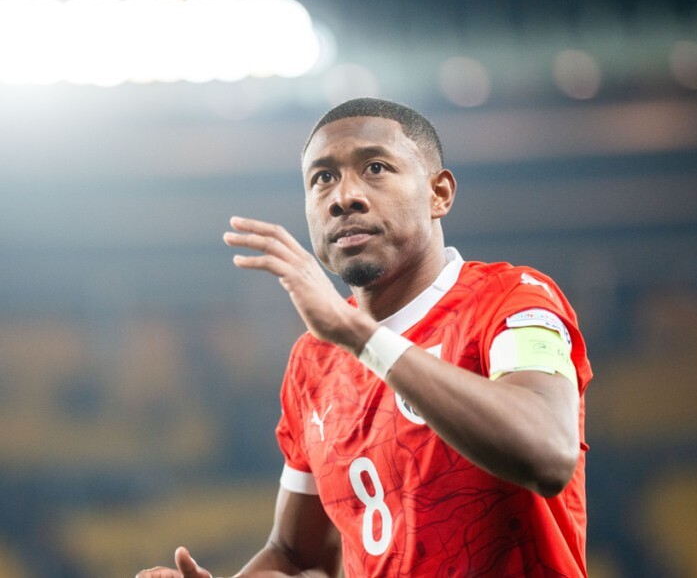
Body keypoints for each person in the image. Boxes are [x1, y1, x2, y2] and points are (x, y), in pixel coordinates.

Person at [137, 97, 593, 578]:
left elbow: (548, 453)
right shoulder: (314, 359)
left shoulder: (510, 299)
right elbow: (297, 556)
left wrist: (359, 335)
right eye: (322, 178)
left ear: (438, 194)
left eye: (375, 168)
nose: (343, 197)